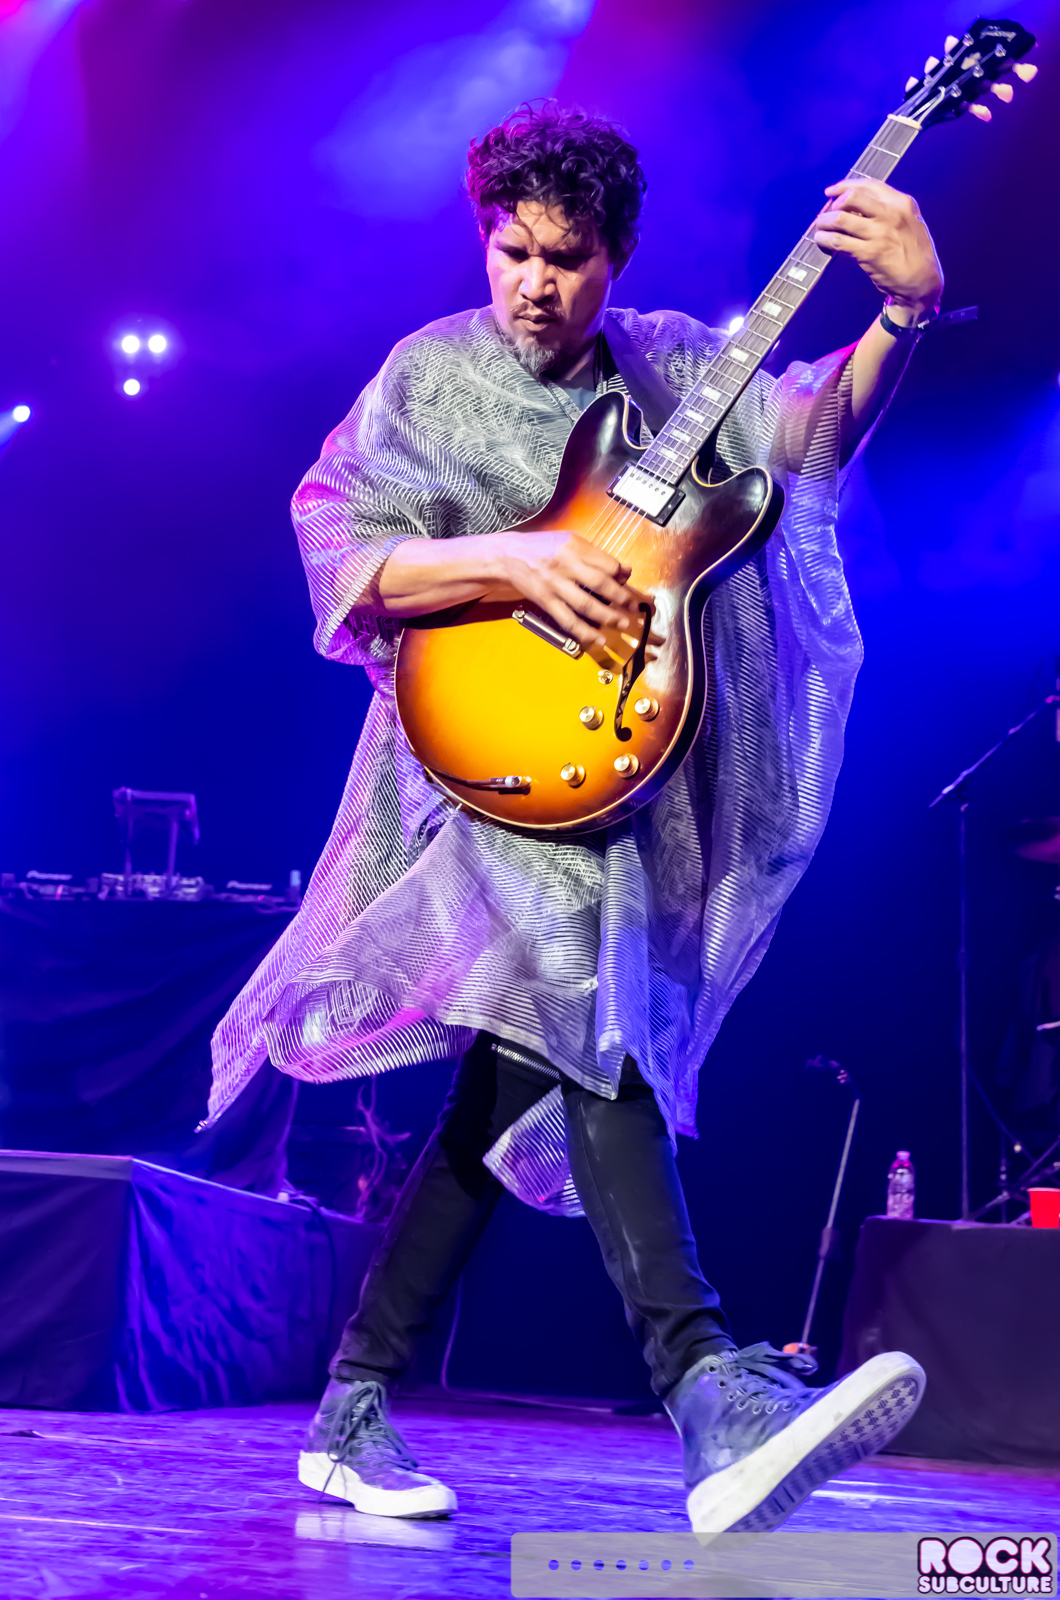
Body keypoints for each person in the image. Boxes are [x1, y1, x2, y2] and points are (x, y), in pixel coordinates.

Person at [210, 104, 943, 1530]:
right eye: (512, 250)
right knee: (591, 1019)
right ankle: (708, 1386)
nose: (534, 284)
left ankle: (351, 1408)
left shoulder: (670, 364)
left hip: (618, 776)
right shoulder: (429, 374)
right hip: (468, 764)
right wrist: (516, 560)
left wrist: (904, 313)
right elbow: (344, 547)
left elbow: (807, 440)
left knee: (510, 1083)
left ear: (616, 260)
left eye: (567, 258)